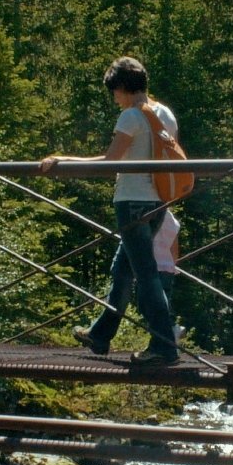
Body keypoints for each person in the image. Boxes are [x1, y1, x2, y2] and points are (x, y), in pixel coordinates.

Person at [40, 56, 180, 366]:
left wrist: (63, 160)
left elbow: (108, 163)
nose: (114, 98)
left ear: (122, 87)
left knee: (146, 276)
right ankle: (101, 334)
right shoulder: (165, 114)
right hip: (158, 202)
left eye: (114, 92)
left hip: (131, 202)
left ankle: (164, 347)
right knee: (123, 270)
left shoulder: (131, 117)